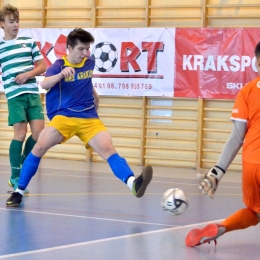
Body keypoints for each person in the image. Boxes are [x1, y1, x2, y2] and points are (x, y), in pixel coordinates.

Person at [5, 28, 153, 207]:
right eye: (81, 49)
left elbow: (86, 80)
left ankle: (133, 184)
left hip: (89, 118)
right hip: (64, 118)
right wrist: (61, 75)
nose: (85, 53)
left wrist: (95, 95)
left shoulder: (89, 62)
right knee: (40, 146)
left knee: (108, 149)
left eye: (87, 49)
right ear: (69, 48)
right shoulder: (58, 65)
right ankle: (18, 192)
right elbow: (44, 84)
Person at [185, 42, 260, 247]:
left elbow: (236, 137)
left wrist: (216, 172)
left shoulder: (247, 92)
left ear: (256, 62)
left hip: (252, 165)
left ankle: (222, 227)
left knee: (254, 212)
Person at [0, 4, 46, 194]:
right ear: (2, 24)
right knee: (19, 134)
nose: (16, 25)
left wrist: (28, 74)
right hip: (15, 97)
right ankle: (15, 177)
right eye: (11, 22)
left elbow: (42, 66)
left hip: (32, 94)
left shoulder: (28, 42)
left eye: (17, 21)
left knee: (38, 134)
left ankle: (23, 164)